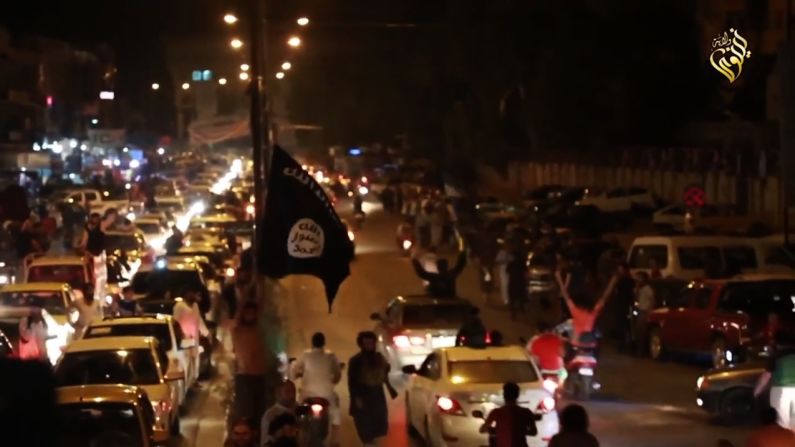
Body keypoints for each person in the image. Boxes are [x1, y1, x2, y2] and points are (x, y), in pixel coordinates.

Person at [289, 332, 342, 446]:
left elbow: (294, 371)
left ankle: (297, 437)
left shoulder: (305, 355)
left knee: (298, 411)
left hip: (307, 395)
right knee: (335, 412)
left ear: (312, 343)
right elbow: (337, 375)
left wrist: (296, 375)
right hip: (327, 395)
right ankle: (335, 441)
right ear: (324, 343)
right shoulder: (331, 355)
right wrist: (332, 381)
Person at [348, 331, 392, 446]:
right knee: (366, 435)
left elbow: (385, 372)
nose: (369, 346)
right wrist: (356, 400)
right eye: (366, 343)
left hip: (377, 399)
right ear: (361, 344)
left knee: (377, 434)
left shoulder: (379, 358)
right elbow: (352, 383)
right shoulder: (355, 361)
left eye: (371, 343)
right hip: (362, 401)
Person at [555, 270, 617, 348]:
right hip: (590, 344)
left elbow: (565, 294)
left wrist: (559, 279)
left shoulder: (575, 310)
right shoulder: (593, 312)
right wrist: (613, 281)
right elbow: (605, 296)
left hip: (576, 344)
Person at [232, 301, 268, 424]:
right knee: (245, 411)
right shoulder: (237, 331)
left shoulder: (260, 331)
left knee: (259, 410)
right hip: (243, 376)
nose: (250, 316)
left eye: (252, 313)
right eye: (247, 313)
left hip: (259, 375)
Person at [753, 334, 795, 431]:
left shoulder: (776, 356)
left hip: (781, 391)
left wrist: (757, 391)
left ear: (778, 345)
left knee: (783, 423)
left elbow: (766, 376)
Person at [479, 382, 537, 446]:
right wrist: (521, 431)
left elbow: (482, 429)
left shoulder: (496, 412)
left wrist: (495, 430)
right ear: (517, 395)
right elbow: (534, 432)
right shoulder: (526, 412)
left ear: (504, 395)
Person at [260, 380, 297, 447]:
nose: (292, 396)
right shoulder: (271, 414)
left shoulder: (298, 411)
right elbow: (266, 440)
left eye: (294, 392)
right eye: (288, 392)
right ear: (278, 394)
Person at [613, 263, 636, 350]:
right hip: (621, 305)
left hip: (627, 305)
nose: (620, 271)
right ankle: (622, 344)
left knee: (628, 326)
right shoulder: (620, 280)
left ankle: (630, 345)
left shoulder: (628, 280)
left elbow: (632, 293)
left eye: (621, 269)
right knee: (622, 326)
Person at [633, 271, 656, 356]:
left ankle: (642, 351)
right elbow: (636, 298)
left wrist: (649, 311)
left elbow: (652, 300)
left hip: (645, 311)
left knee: (642, 332)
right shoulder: (639, 289)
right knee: (638, 332)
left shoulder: (648, 289)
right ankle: (640, 350)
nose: (637, 279)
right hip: (640, 311)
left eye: (639, 278)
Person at [506, 248, 529, 320]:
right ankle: (522, 309)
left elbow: (507, 271)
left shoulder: (511, 263)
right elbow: (526, 272)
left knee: (512, 298)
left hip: (513, 282)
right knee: (521, 296)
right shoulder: (522, 263)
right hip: (521, 282)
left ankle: (513, 314)